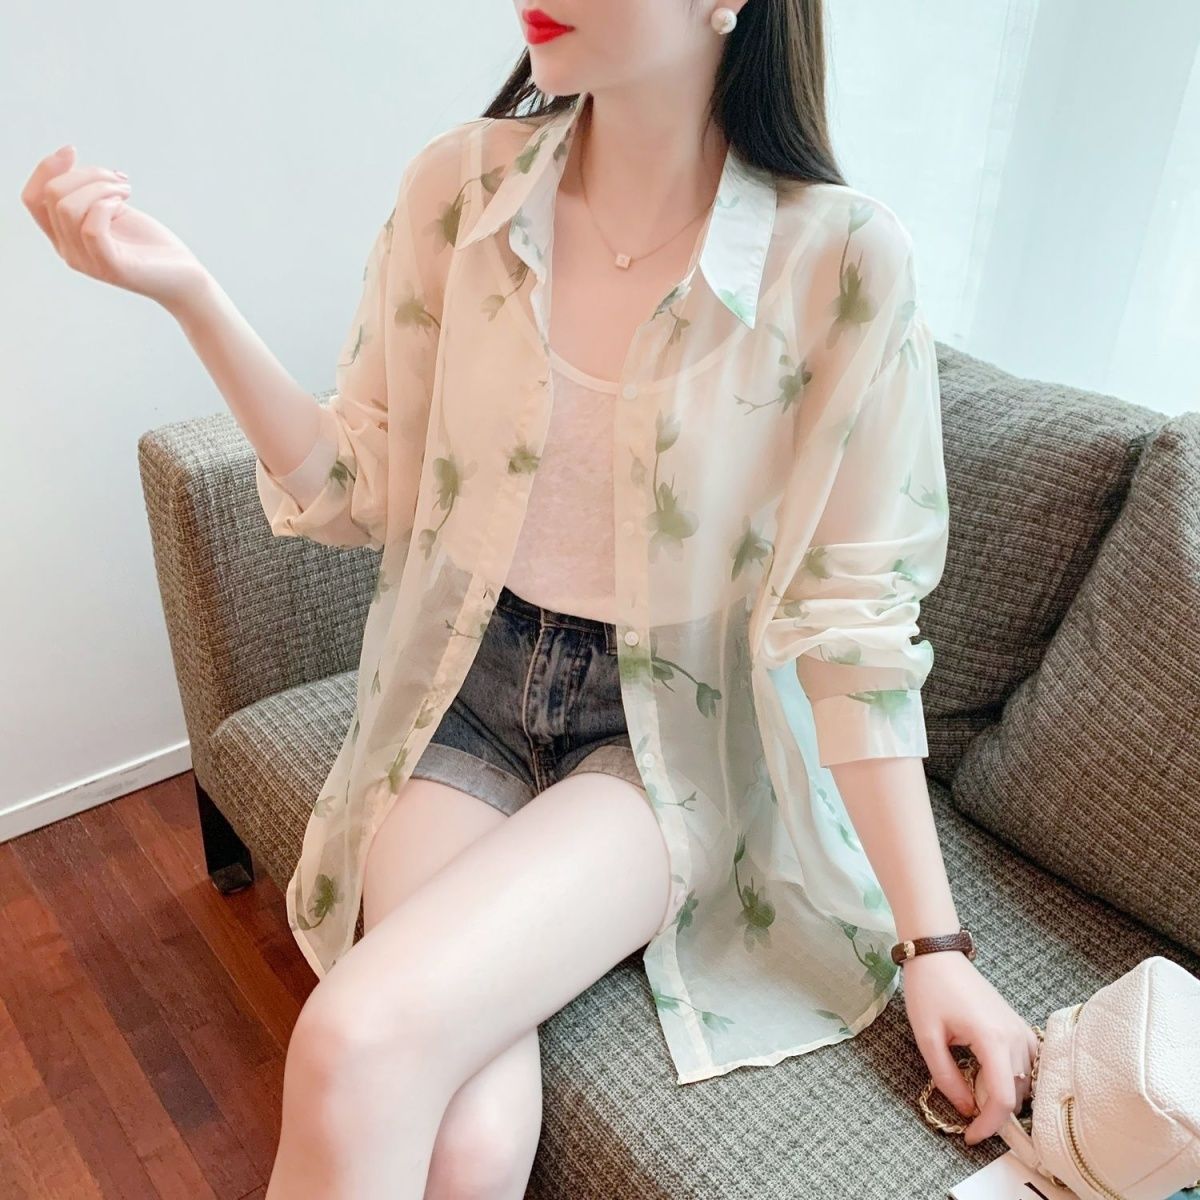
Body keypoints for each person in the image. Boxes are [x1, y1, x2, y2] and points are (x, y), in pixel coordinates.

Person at [21, 0, 1042, 1195]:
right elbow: (359, 488)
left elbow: (853, 630)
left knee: (353, 1040)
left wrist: (935, 944)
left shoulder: (844, 264)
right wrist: (189, 291)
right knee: (469, 1139)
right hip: (464, 686)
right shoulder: (460, 190)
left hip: (661, 738)